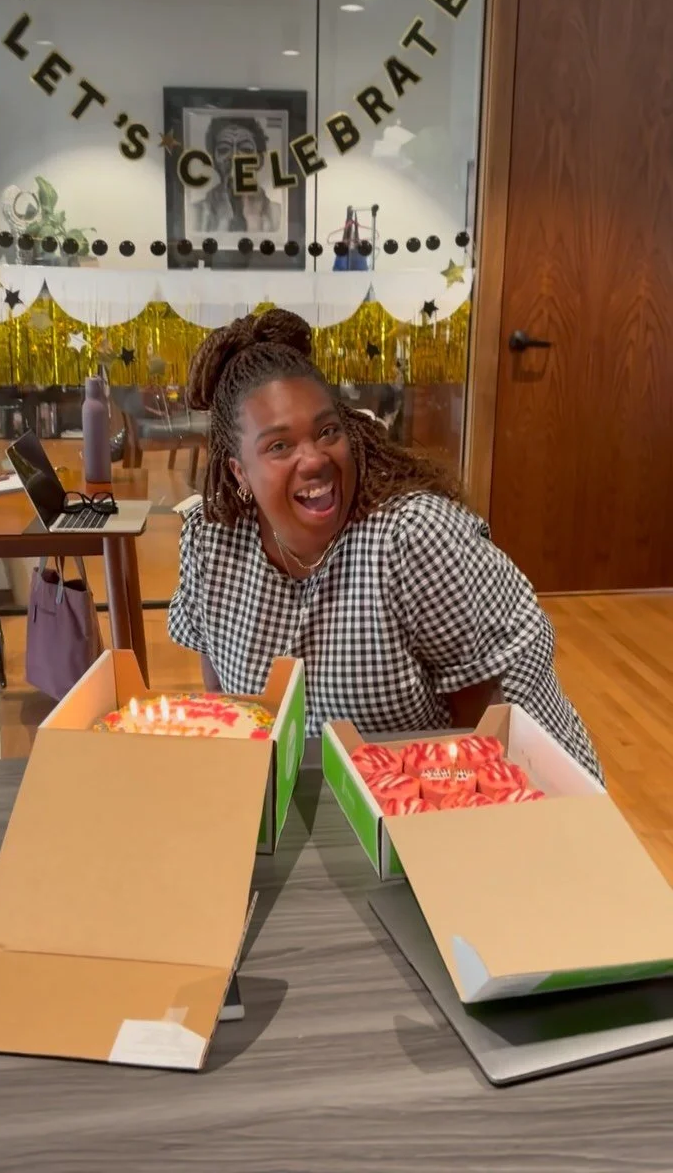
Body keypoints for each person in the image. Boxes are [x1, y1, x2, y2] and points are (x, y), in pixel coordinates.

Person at [168, 310, 603, 782]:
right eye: (279, 446)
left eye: (327, 431)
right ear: (239, 471)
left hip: (500, 778)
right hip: (340, 784)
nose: (314, 459)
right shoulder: (212, 542)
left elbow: (483, 727)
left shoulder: (411, 538)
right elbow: (231, 710)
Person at [190, 115, 281, 235]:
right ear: (214, 161)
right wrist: (223, 216)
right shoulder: (195, 213)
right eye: (224, 149)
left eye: (246, 149)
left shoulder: (278, 214)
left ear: (260, 160)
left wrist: (253, 218)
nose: (234, 156)